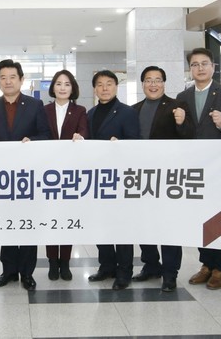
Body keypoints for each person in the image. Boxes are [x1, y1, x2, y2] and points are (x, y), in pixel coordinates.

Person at [0, 59, 51, 291]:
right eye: (3, 78)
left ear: (21, 80)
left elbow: (45, 135)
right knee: (6, 224)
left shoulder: (35, 105)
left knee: (27, 224)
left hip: (27, 176)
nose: (8, 81)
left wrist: (31, 140)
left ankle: (27, 273)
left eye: (12, 77)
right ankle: (8, 271)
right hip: (1, 177)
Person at [176, 47, 221, 290]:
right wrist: (179, 124)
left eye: (204, 63)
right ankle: (206, 264)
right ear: (190, 69)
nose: (200, 68)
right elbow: (182, 133)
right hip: (195, 167)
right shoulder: (183, 96)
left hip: (219, 166)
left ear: (213, 67)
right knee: (200, 216)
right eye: (195, 64)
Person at [131, 66, 194, 293]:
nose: (153, 84)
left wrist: (181, 122)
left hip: (168, 178)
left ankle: (170, 273)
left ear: (164, 84)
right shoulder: (134, 109)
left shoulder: (177, 106)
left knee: (169, 226)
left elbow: (190, 136)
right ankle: (151, 265)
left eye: (157, 80)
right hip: (140, 177)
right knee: (143, 224)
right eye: (148, 80)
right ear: (142, 84)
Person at [86, 70, 141, 291]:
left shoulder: (128, 112)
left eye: (109, 84)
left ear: (116, 87)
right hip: (97, 179)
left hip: (120, 179)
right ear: (94, 89)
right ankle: (106, 266)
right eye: (100, 84)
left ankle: (124, 271)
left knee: (122, 227)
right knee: (101, 225)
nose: (104, 88)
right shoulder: (90, 113)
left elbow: (135, 142)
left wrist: (121, 145)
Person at [43, 69, 87, 281]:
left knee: (67, 218)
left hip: (70, 174)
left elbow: (85, 131)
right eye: (59, 84)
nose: (62, 88)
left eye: (67, 84)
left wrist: (81, 137)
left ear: (72, 88)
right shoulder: (44, 110)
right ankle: (52, 262)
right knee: (51, 219)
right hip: (47, 174)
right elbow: (39, 134)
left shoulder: (80, 111)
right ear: (53, 87)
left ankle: (65, 262)